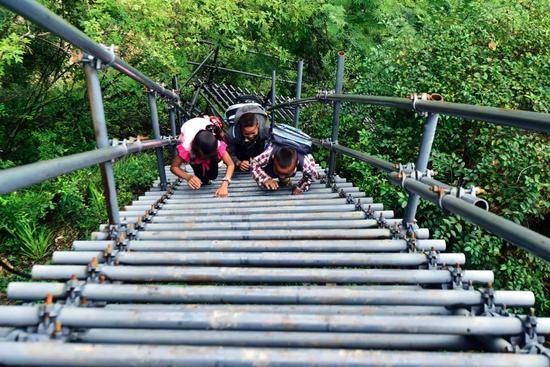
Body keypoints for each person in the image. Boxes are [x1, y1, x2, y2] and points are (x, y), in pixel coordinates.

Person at [170, 116, 234, 197]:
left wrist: (225, 184)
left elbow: (230, 164)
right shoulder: (188, 148)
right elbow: (174, 167)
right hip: (194, 152)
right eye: (205, 157)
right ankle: (202, 174)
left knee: (213, 176)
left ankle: (210, 168)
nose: (207, 159)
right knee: (201, 179)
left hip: (205, 144)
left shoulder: (217, 144)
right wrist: (188, 177)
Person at [251, 144, 317, 195]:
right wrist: (265, 179)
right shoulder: (269, 152)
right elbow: (254, 163)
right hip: (270, 167)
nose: (281, 176)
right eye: (279, 172)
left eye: (286, 174)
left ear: (297, 163)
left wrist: (301, 187)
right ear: (273, 158)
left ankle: (284, 174)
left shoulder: (307, 163)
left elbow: (311, 176)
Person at [226, 104, 270, 171]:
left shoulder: (266, 130)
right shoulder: (232, 134)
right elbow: (229, 154)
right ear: (240, 127)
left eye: (253, 133)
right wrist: (238, 162)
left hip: (259, 149)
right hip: (241, 150)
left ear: (257, 125)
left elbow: (271, 149)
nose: (250, 136)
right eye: (246, 134)